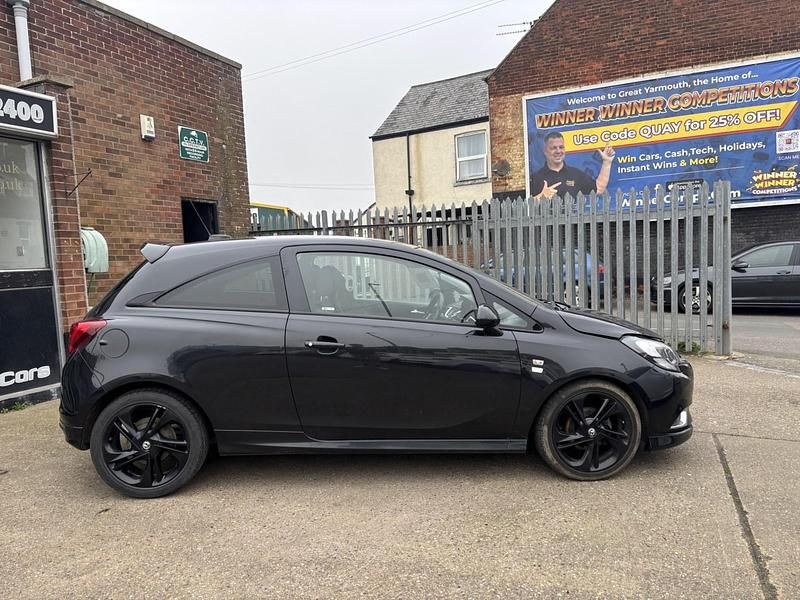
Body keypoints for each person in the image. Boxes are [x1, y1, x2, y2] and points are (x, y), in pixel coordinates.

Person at [530, 131, 615, 200]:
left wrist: (607, 162)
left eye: (561, 147)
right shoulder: (536, 177)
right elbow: (522, 207)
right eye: (553, 148)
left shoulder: (575, 174)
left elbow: (598, 189)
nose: (558, 151)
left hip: (572, 220)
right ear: (545, 151)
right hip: (546, 221)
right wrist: (541, 197)